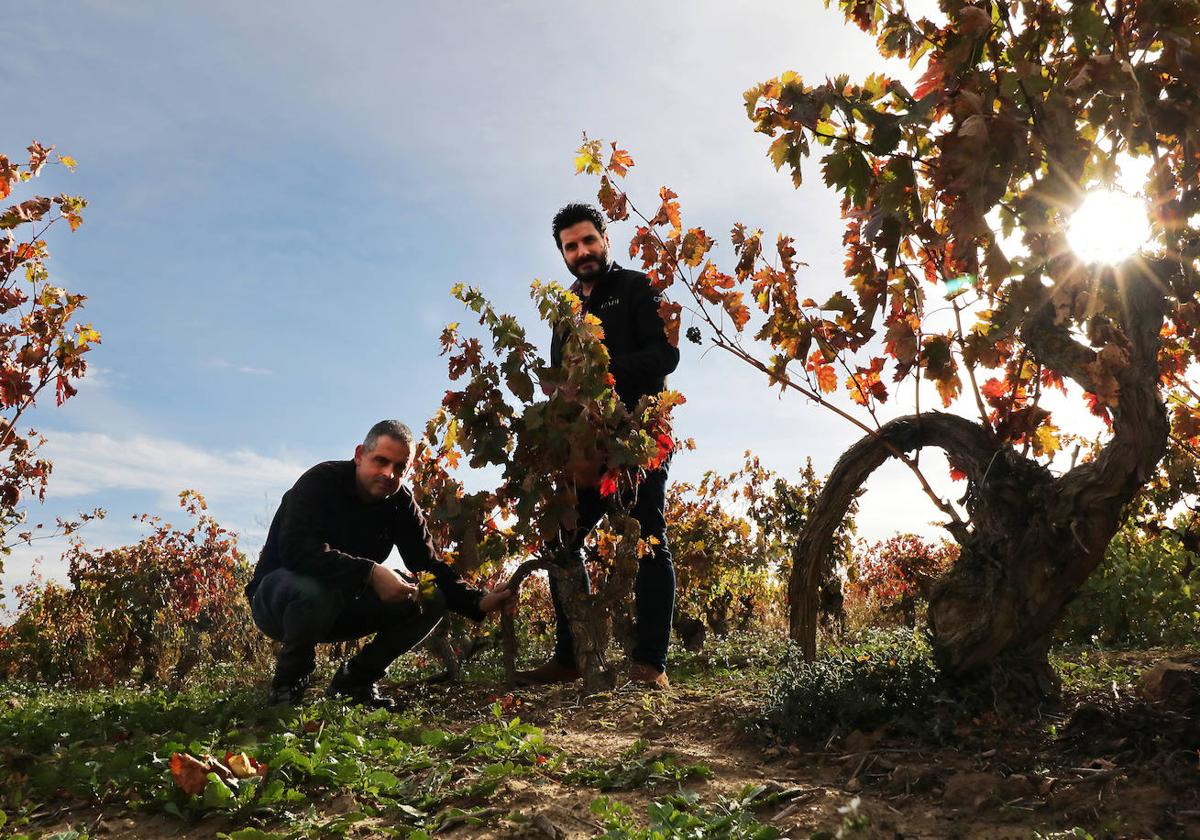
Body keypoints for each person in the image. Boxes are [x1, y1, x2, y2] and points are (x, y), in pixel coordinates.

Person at [516, 203, 680, 689]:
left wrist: (602, 377)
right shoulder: (565, 310)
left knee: (648, 538)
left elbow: (664, 357)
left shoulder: (636, 288)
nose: (582, 251)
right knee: (561, 540)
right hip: (586, 448)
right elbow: (561, 384)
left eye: (588, 240)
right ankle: (572, 656)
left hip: (637, 438)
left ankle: (649, 664)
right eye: (571, 246)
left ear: (606, 238)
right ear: (562, 253)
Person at [246, 420, 511, 708]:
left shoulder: (400, 503)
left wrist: (478, 601)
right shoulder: (319, 482)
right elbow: (296, 551)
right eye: (381, 461)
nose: (389, 474)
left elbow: (428, 565)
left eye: (399, 468)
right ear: (360, 455)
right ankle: (288, 684)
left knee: (430, 596)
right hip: (278, 603)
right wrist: (370, 572)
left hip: (341, 607)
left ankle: (355, 680)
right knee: (314, 587)